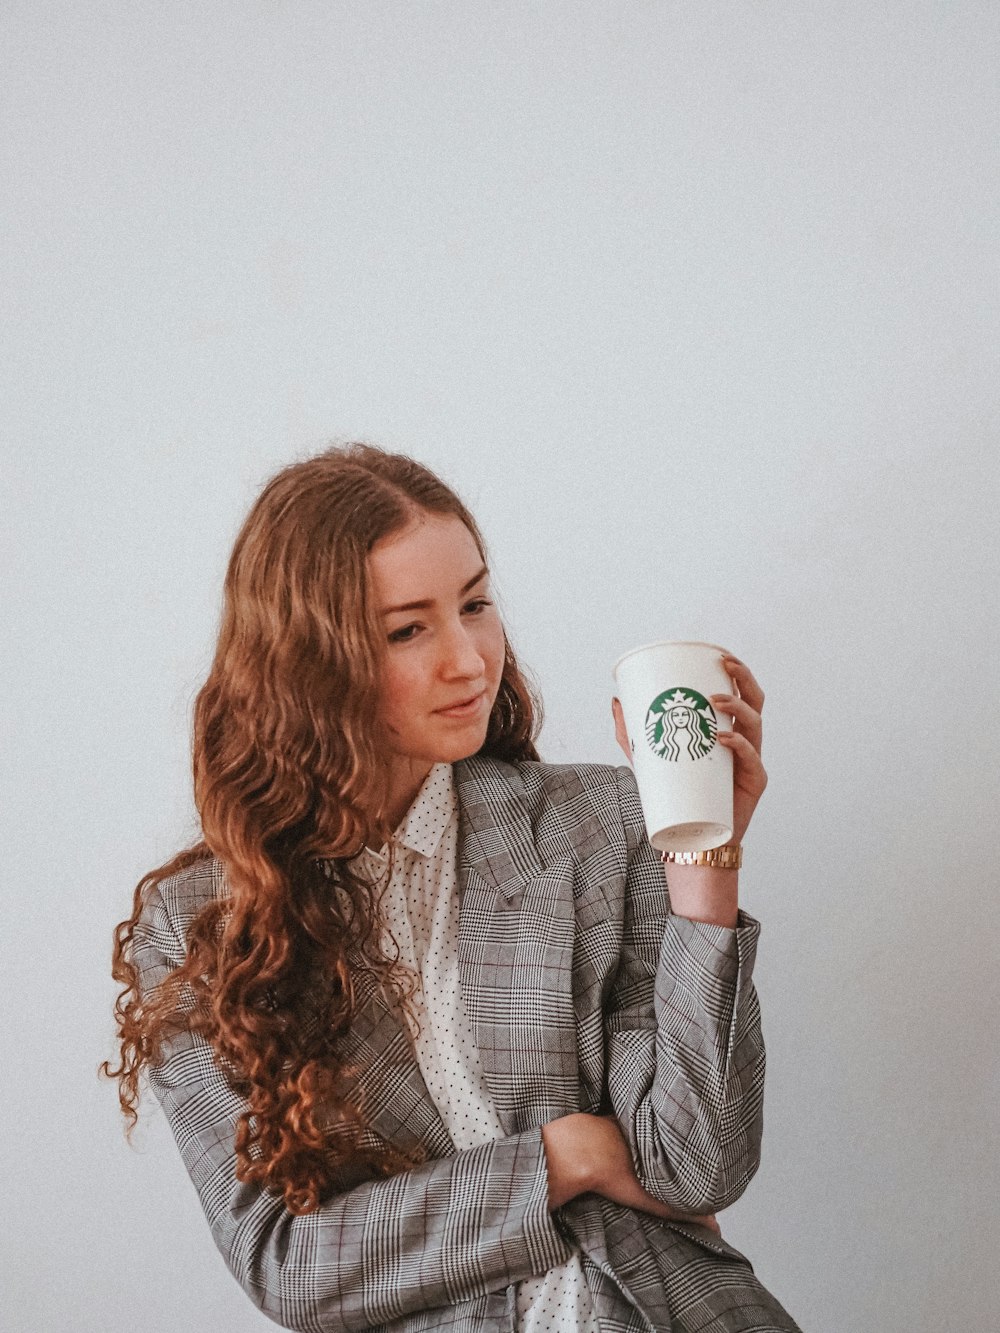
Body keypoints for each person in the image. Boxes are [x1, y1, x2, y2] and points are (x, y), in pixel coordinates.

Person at [104, 443, 801, 1332]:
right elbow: (293, 1264)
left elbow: (696, 1167)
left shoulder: (599, 823)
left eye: (475, 604)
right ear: (311, 663)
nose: (469, 660)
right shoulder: (202, 922)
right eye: (409, 628)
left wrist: (706, 857)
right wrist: (566, 1154)